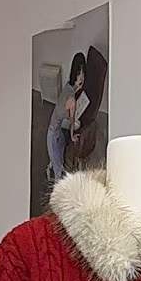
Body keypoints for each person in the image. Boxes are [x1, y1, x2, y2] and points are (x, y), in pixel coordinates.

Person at [46, 51, 87, 184]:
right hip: (53, 136)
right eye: (80, 73)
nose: (82, 77)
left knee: (60, 154)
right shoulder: (72, 100)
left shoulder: (67, 87)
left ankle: (52, 165)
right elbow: (72, 120)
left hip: (55, 130)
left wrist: (77, 88)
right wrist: (73, 135)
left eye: (82, 73)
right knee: (58, 173)